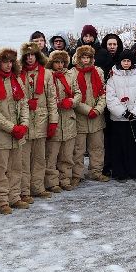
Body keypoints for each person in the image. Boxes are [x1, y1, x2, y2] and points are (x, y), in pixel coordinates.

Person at [0, 46, 30, 213]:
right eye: (5, 61)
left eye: (11, 61)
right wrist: (11, 127)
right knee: (0, 170)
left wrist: (24, 124)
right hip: (0, 134)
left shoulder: (16, 80)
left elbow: (24, 103)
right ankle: (1, 200)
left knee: (16, 167)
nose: (8, 65)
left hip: (18, 132)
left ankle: (14, 196)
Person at [105, 49, 136, 181]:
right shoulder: (112, 77)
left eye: (128, 61)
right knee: (119, 146)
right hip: (118, 118)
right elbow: (110, 97)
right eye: (123, 61)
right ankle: (120, 172)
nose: (126, 63)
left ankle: (135, 171)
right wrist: (122, 112)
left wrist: (135, 112)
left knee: (134, 146)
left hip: (134, 118)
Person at [72, 44, 108, 183]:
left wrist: (98, 109)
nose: (85, 60)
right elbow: (74, 96)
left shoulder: (98, 71)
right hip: (80, 117)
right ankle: (77, 175)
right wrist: (88, 110)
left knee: (97, 147)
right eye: (83, 57)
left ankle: (96, 172)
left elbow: (103, 94)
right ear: (79, 58)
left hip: (97, 117)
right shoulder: (73, 73)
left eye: (88, 57)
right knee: (78, 149)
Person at [20, 43, 52, 199]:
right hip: (25, 121)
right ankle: (24, 190)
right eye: (27, 56)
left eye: (32, 55)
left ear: (37, 56)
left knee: (40, 158)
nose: (30, 58)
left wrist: (53, 121)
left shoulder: (46, 74)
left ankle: (38, 187)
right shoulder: (19, 73)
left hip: (41, 120)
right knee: (24, 160)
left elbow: (52, 99)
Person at [45, 48, 77, 191]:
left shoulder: (70, 76)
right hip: (55, 118)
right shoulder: (48, 77)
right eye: (57, 62)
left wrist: (71, 102)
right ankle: (52, 182)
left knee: (67, 155)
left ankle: (65, 179)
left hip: (68, 119)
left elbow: (78, 93)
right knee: (52, 155)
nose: (59, 65)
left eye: (62, 62)